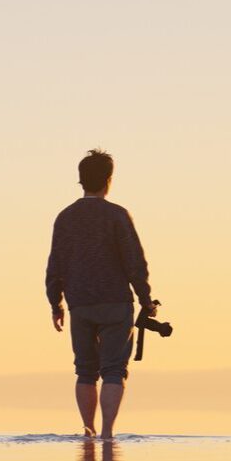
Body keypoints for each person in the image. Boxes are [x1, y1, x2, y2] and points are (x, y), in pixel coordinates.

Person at [44, 149, 157, 438]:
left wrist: (55, 303)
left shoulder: (65, 218)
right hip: (116, 303)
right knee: (114, 370)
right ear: (108, 180)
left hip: (79, 303)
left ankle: (88, 429)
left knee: (84, 370)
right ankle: (107, 432)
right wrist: (146, 300)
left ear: (81, 181)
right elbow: (135, 262)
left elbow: (54, 264)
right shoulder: (117, 215)